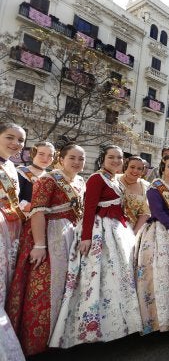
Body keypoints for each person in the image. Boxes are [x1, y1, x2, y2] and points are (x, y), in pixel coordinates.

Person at [50, 145, 142, 348]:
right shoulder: (96, 178)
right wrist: (86, 237)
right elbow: (90, 208)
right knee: (97, 277)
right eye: (112, 157)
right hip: (100, 231)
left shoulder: (113, 179)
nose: (116, 161)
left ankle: (116, 324)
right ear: (103, 159)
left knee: (115, 277)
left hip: (116, 230)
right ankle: (91, 330)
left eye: (119, 158)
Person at [7, 144, 86, 356]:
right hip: (50, 236)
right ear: (61, 159)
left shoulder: (80, 181)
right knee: (45, 287)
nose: (77, 163)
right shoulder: (48, 180)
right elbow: (37, 212)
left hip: (71, 236)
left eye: (81, 159)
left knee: (67, 286)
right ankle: (38, 343)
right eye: (72, 158)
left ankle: (62, 337)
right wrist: (40, 245)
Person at [135, 155, 169, 334]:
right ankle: (159, 321)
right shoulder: (154, 188)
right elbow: (158, 212)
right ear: (163, 168)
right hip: (160, 235)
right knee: (160, 275)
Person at [0, 122, 26, 307]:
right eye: (10, 137)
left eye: (20, 140)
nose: (15, 143)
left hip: (10, 226)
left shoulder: (11, 167)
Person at [16, 141, 55, 214]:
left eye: (50, 155)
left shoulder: (51, 176)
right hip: (22, 218)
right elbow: (13, 199)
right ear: (33, 154)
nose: (46, 158)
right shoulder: (21, 172)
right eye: (41, 154)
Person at [119, 156, 150, 233]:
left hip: (131, 229)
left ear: (142, 171)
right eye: (132, 167)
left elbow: (145, 213)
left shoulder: (146, 186)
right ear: (126, 167)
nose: (135, 171)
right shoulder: (114, 180)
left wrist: (134, 232)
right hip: (109, 224)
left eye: (139, 169)